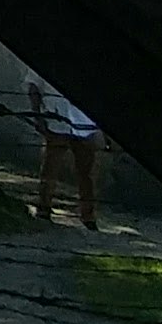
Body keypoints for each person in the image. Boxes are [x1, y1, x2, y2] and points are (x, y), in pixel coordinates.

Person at [30, 74, 102, 229]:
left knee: (87, 171)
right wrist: (37, 115)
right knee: (50, 167)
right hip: (56, 119)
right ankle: (43, 209)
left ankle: (88, 216)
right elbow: (34, 84)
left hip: (84, 123)